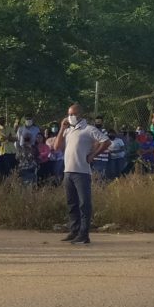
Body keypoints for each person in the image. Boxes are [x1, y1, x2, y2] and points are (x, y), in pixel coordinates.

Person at [53, 103, 110, 245]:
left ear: (80, 115)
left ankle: (84, 234)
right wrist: (61, 128)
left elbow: (106, 141)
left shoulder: (88, 129)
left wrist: (93, 155)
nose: (70, 117)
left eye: (73, 114)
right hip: (68, 171)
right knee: (71, 203)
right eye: (69, 114)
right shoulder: (68, 130)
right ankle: (74, 231)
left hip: (82, 172)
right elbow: (56, 146)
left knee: (84, 203)